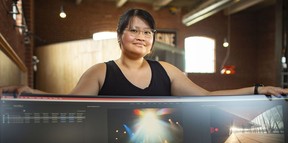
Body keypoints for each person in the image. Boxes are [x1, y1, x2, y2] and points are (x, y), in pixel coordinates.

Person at [1, 8, 288, 97]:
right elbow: (68, 102)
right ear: (119, 36)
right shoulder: (101, 71)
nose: (141, 37)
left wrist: (258, 90)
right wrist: (27, 91)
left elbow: (207, 97)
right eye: (134, 30)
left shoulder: (167, 70)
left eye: (147, 32)